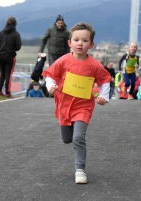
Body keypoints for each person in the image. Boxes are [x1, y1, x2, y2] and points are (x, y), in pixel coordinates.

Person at [42, 22, 111, 184]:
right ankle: (72, 131)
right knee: (67, 139)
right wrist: (51, 85)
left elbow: (105, 80)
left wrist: (104, 96)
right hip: (64, 106)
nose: (80, 43)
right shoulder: (63, 61)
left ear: (91, 45)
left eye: (85, 41)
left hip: (83, 107)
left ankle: (80, 170)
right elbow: (50, 75)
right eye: (77, 40)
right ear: (70, 43)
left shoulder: (94, 65)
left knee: (79, 137)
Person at [0, 17, 22, 98]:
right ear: (15, 24)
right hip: (10, 56)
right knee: (8, 75)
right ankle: (7, 92)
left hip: (0, 55)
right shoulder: (16, 34)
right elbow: (18, 47)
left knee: (2, 74)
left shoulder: (1, 32)